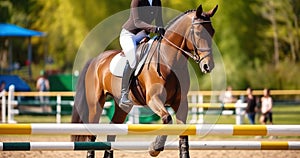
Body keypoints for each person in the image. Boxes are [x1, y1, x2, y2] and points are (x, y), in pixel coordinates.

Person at [119, 0, 165, 109]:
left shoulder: (157, 1)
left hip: (143, 35)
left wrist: (163, 33)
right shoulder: (137, 1)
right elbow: (137, 22)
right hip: (129, 35)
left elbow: (159, 21)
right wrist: (154, 29)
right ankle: (124, 94)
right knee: (133, 60)